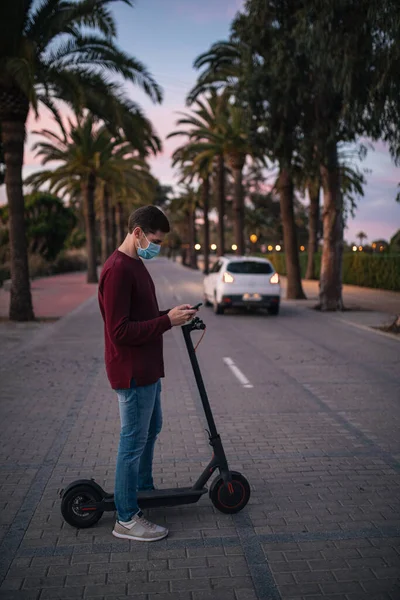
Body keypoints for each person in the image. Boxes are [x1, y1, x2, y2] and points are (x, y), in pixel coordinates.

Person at [98, 205, 196, 542]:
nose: (156, 247)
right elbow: (120, 331)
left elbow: (140, 316)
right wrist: (166, 322)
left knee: (150, 429)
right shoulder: (118, 270)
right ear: (137, 232)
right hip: (131, 371)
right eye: (154, 240)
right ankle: (126, 518)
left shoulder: (136, 264)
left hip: (147, 370)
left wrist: (170, 314)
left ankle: (142, 492)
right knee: (133, 442)